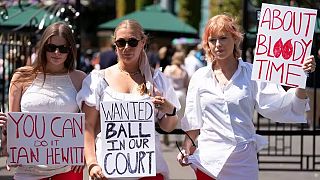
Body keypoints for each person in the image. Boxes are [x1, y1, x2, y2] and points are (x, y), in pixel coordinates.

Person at [176, 14, 317, 180]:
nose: (218, 45)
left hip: (243, 162)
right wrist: (186, 148)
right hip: (208, 161)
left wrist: (301, 78)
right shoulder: (200, 77)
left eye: (223, 38)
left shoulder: (251, 74)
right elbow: (193, 119)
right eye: (212, 40)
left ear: (235, 39)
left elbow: (280, 104)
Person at [76, 19, 180, 180]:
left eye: (132, 42)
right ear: (114, 44)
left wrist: (170, 110)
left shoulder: (157, 79)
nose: (126, 47)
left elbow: (167, 126)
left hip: (148, 170)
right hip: (108, 171)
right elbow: (87, 126)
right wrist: (91, 162)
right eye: (121, 42)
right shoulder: (98, 79)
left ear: (142, 42)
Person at [7, 21, 86, 179]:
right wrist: (9, 145)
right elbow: (13, 120)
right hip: (27, 166)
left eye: (63, 48)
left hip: (68, 168)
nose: (57, 53)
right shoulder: (21, 77)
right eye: (51, 47)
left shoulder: (80, 78)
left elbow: (89, 123)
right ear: (43, 47)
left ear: (70, 50)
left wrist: (84, 151)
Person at [163, 51, 189, 145]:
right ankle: (179, 137)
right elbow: (186, 85)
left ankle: (168, 132)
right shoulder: (184, 71)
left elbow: (164, 83)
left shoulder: (168, 69)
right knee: (181, 117)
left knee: (170, 115)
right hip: (181, 94)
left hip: (171, 95)